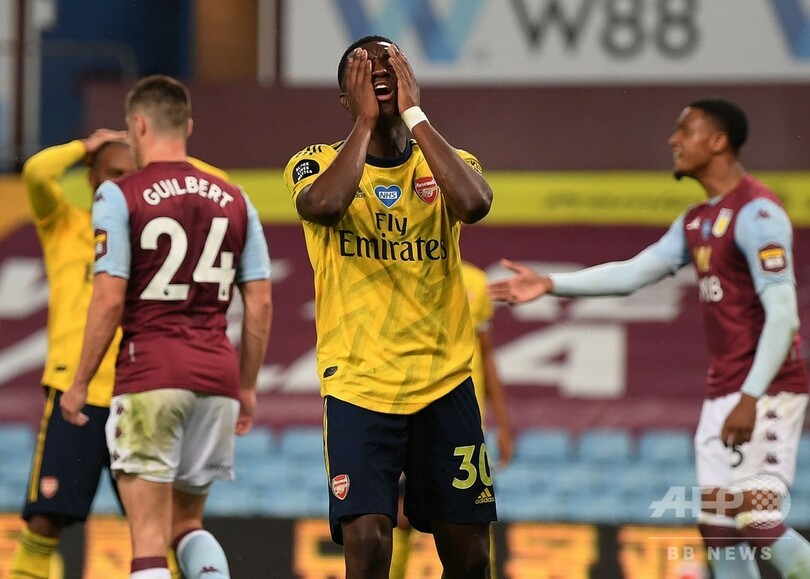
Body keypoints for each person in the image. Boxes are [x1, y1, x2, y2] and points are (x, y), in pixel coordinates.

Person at [488, 98, 810, 578]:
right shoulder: (697, 221)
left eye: (686, 130)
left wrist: (750, 396)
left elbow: (783, 316)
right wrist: (552, 284)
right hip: (725, 392)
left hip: (766, 390)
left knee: (758, 521)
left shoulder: (758, 213)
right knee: (718, 529)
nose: (673, 140)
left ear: (718, 142)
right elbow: (633, 274)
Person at [283, 36, 496, 578]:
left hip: (443, 382)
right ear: (345, 97)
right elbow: (324, 206)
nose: (379, 69)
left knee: (471, 556)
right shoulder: (313, 163)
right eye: (363, 66)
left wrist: (414, 115)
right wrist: (365, 123)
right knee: (369, 541)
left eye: (390, 61)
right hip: (359, 386)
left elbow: (474, 204)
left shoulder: (449, 161)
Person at [60, 74, 272, 579]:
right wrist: (245, 386)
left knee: (149, 540)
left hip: (150, 374)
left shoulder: (118, 195)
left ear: (138, 124)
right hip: (217, 379)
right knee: (188, 524)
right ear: (188, 126)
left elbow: (109, 299)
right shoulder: (236, 198)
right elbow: (260, 302)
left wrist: (81, 381)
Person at [9, 129, 136, 579]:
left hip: (138, 396)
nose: (122, 184)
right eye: (113, 173)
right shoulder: (64, 224)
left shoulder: (153, 234)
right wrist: (84, 145)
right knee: (44, 520)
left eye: (133, 174)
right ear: (91, 178)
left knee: (161, 529)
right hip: (74, 395)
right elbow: (36, 172)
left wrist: (165, 152)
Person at [390, 261, 513, 579]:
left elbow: (486, 356)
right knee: (399, 517)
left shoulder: (475, 282)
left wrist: (503, 425)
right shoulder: (397, 270)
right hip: (408, 413)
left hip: (463, 421)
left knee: (473, 523)